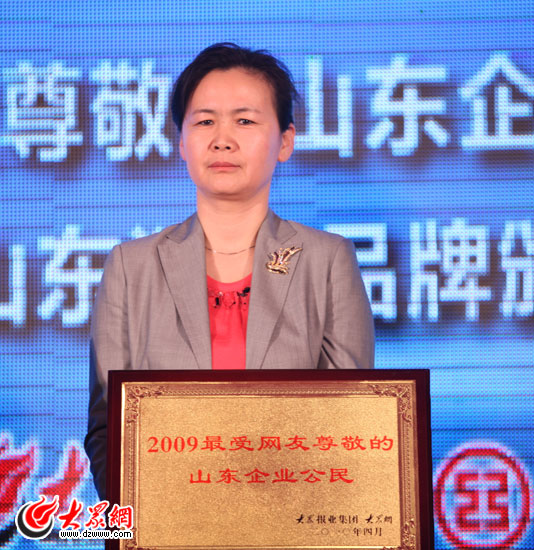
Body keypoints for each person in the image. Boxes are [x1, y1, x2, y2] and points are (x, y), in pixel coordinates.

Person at [84, 43, 374, 499]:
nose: (222, 139)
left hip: (295, 521)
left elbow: (350, 423)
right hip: (168, 522)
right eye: (204, 122)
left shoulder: (327, 260)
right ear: (182, 142)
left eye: (244, 121)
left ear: (285, 141)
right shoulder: (130, 266)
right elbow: (107, 429)